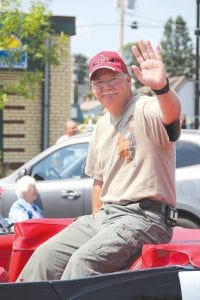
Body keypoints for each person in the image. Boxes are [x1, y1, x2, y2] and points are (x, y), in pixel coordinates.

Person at [17, 40, 181, 282]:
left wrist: (162, 88)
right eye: (99, 82)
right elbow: (99, 181)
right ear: (92, 88)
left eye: (113, 79)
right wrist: (98, 224)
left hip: (145, 218)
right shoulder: (101, 126)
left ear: (128, 79)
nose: (106, 87)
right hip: (106, 218)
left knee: (84, 262)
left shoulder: (145, 108)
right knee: (45, 257)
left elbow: (171, 114)